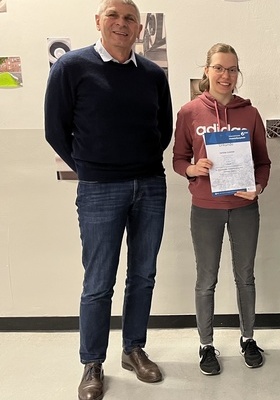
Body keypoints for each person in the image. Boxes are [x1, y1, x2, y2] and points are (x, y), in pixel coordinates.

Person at [44, 0, 173, 399]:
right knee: (99, 282)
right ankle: (92, 362)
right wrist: (90, 166)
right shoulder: (71, 67)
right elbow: (55, 129)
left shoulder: (152, 74)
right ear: (98, 21)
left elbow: (164, 128)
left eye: (130, 18)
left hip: (150, 185)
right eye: (113, 16)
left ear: (139, 28)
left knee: (143, 275)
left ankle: (133, 349)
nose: (122, 23)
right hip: (99, 188)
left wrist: (140, 163)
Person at [173, 43, 271, 376]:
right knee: (206, 279)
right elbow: (178, 159)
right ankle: (206, 344)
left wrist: (258, 187)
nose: (225, 75)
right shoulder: (189, 112)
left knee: (246, 277)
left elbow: (263, 162)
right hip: (205, 208)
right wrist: (192, 169)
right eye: (219, 68)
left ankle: (248, 338)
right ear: (207, 70)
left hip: (244, 208)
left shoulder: (250, 114)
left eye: (231, 69)